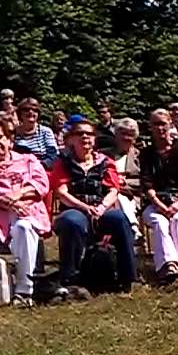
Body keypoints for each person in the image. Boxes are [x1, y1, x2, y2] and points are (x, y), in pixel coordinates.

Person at [0, 117, 50, 309]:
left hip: (25, 212)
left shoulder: (28, 160)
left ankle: (25, 290)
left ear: (9, 140)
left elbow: (41, 185)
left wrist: (18, 194)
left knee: (25, 228)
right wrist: (5, 201)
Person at [51, 119, 137, 294]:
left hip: (101, 207)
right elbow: (61, 192)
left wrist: (102, 207)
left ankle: (127, 276)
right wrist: (84, 207)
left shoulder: (104, 161)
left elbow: (114, 189)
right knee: (71, 221)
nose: (85, 137)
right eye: (79, 134)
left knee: (120, 219)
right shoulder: (63, 162)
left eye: (89, 134)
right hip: (74, 207)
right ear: (70, 139)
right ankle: (70, 278)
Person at [140, 108, 178, 283]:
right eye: (155, 124)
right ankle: (167, 265)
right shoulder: (146, 153)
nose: (160, 128)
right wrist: (159, 204)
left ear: (170, 124)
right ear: (150, 127)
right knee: (160, 221)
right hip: (155, 201)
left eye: (163, 124)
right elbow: (146, 183)